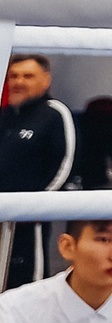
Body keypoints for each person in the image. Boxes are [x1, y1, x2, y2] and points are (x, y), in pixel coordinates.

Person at [1, 54, 77, 290]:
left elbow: (64, 164)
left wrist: (37, 205)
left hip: (29, 218)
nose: (19, 82)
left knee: (28, 282)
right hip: (2, 213)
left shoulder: (54, 113)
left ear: (45, 80)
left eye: (28, 76)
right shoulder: (6, 115)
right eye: (14, 76)